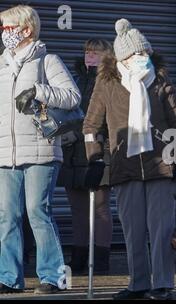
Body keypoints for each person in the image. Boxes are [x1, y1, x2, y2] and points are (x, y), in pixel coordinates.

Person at [83, 19, 176, 300]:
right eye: (136, 54)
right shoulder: (106, 83)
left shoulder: (160, 80)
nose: (143, 58)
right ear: (123, 58)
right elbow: (91, 126)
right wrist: (94, 159)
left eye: (146, 53)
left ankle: (162, 284)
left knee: (161, 230)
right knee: (132, 231)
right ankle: (138, 283)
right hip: (125, 166)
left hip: (161, 166)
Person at [0, 5, 81, 294]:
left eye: (9, 28)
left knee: (38, 211)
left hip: (40, 150)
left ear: (27, 29)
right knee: (7, 216)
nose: (4, 33)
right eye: (3, 28)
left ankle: (53, 277)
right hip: (6, 153)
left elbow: (73, 97)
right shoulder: (1, 65)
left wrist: (39, 91)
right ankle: (9, 277)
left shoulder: (47, 61)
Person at [57, 39, 113, 275]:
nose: (90, 56)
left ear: (106, 56)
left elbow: (112, 116)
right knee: (77, 208)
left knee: (100, 207)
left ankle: (100, 259)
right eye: (87, 52)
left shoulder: (112, 81)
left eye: (95, 52)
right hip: (72, 152)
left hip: (99, 148)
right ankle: (78, 257)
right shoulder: (76, 80)